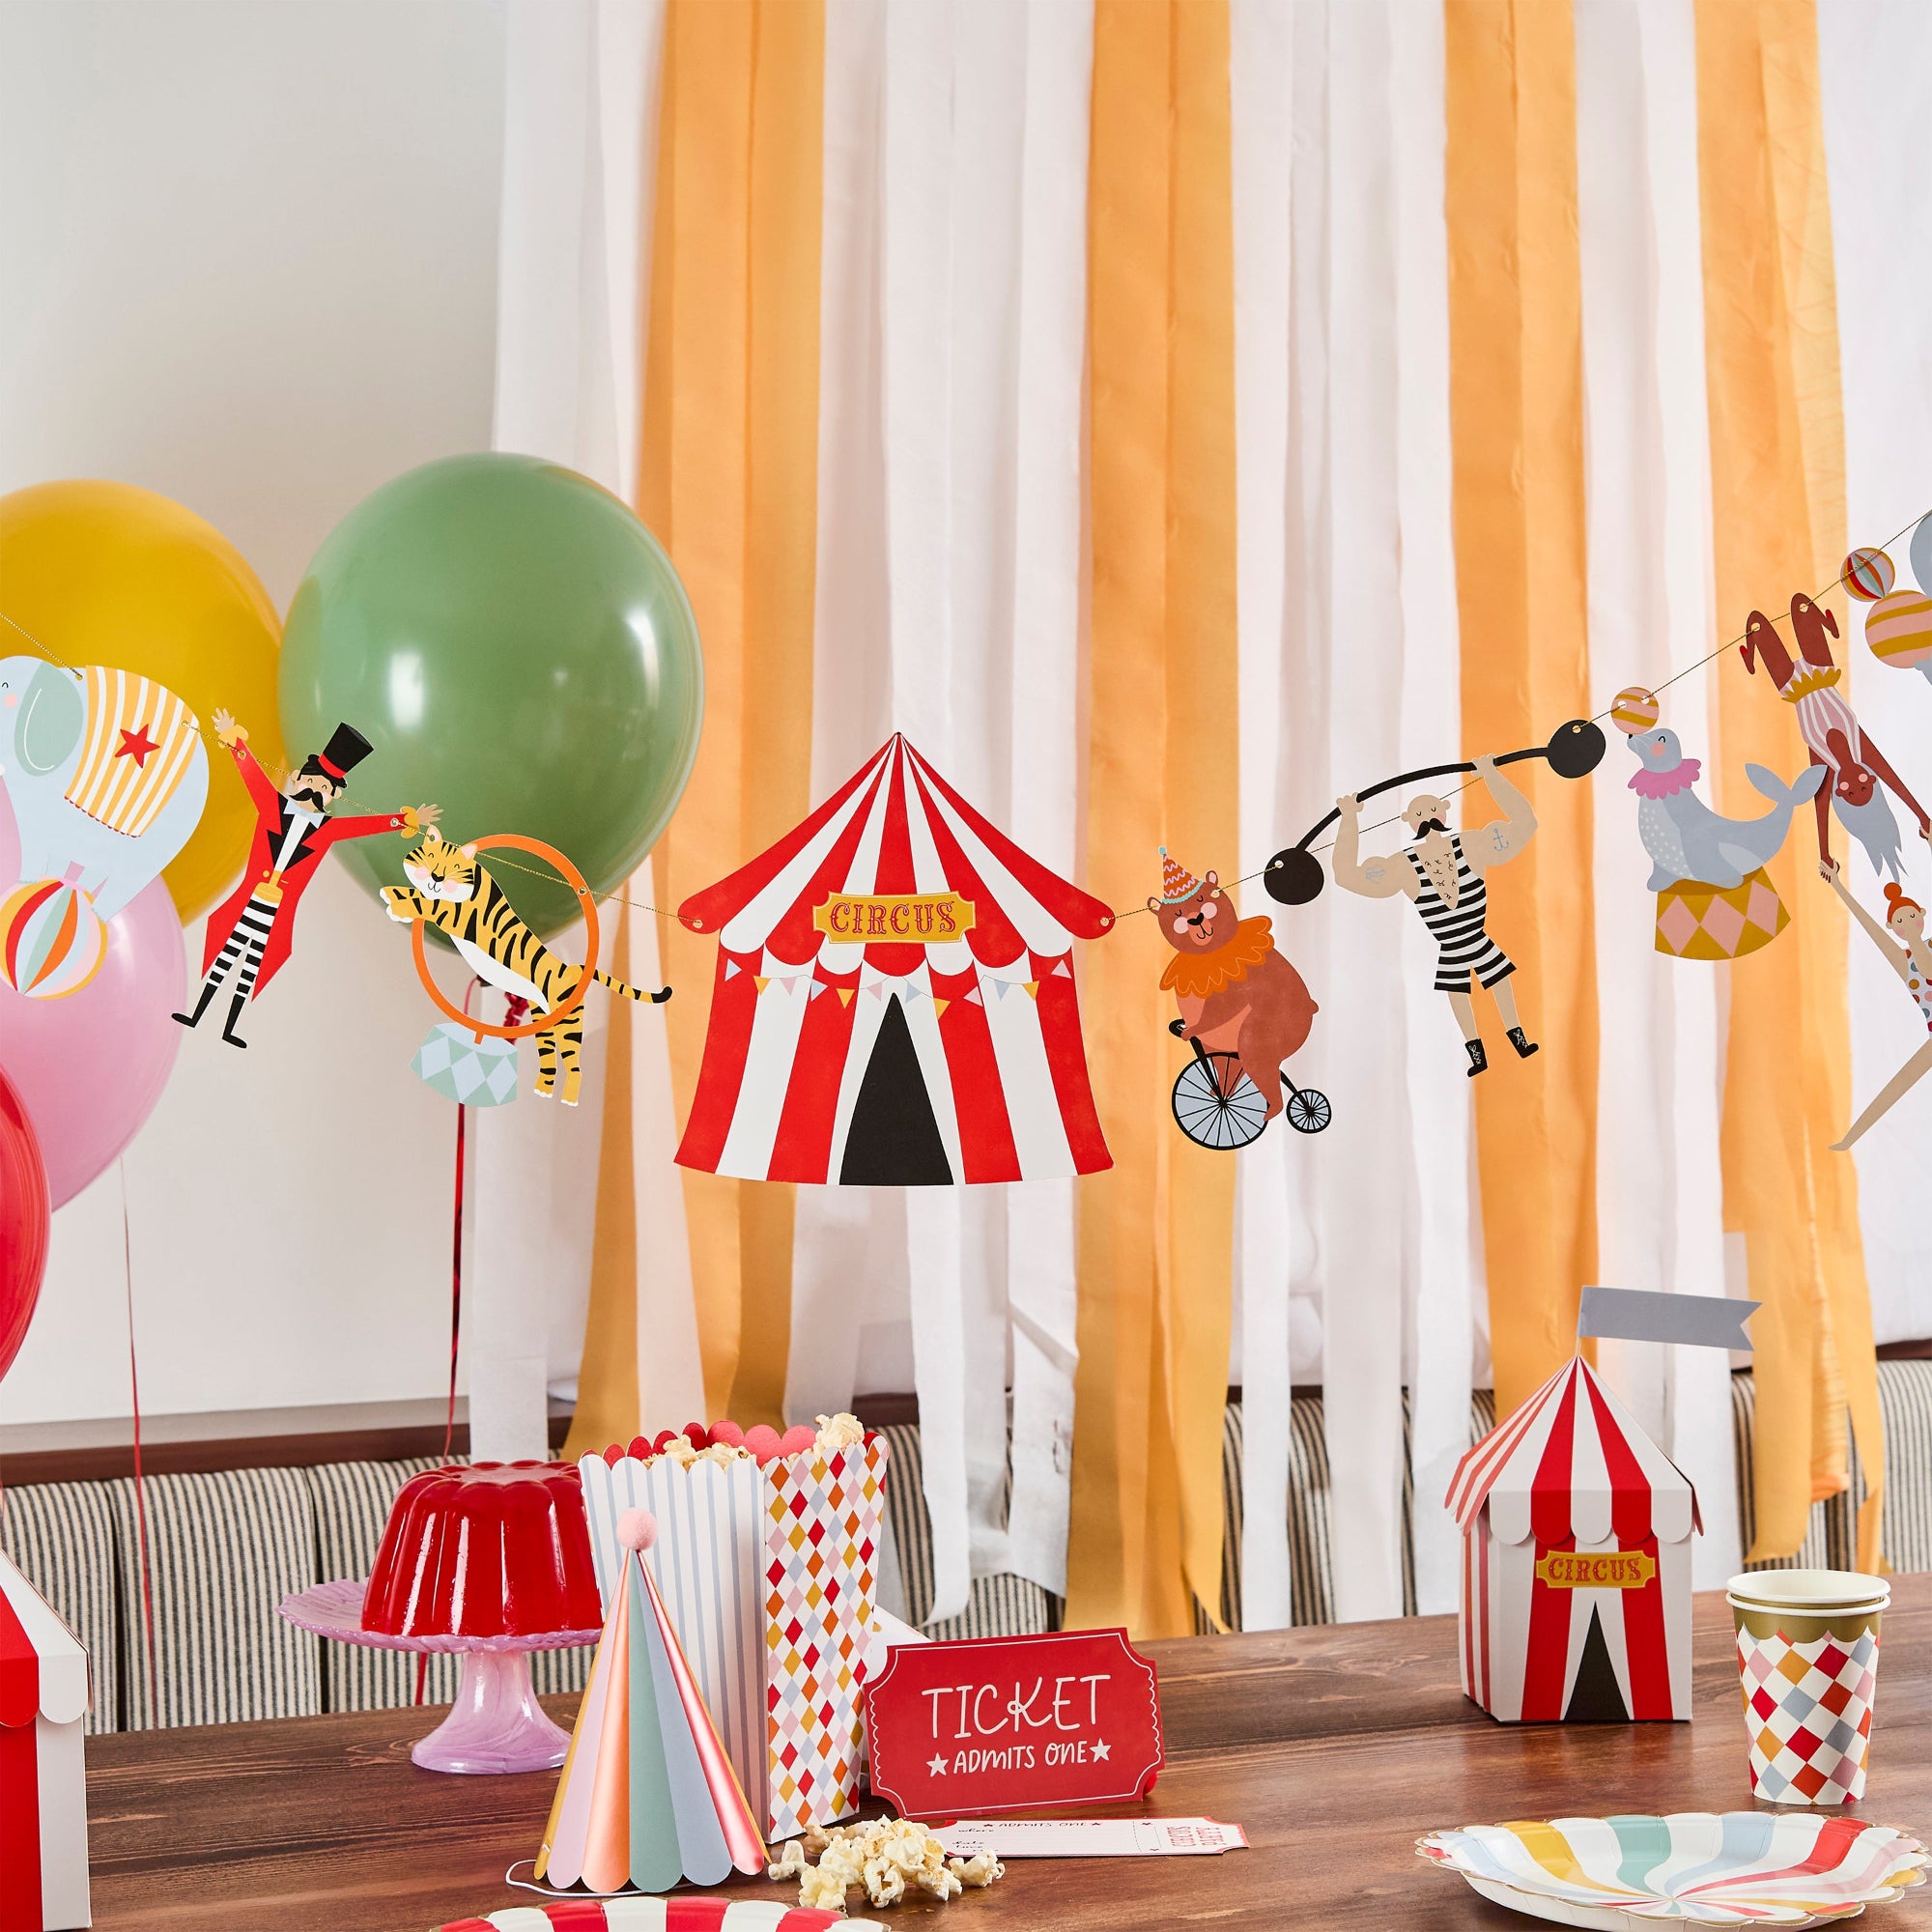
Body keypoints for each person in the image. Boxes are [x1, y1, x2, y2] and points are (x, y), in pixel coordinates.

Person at [173, 711, 437, 1047]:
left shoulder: (327, 832)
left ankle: (230, 1025)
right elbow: (252, 775)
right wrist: (234, 741)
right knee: (225, 955)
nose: (315, 790)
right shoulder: (272, 807)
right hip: (247, 901)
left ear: (332, 796)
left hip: (277, 914)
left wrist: (403, 820)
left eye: (323, 788)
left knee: (252, 966)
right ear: (297, 778)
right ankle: (196, 1014)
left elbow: (364, 826)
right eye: (312, 782)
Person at [1331, 754, 1539, 1076]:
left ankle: (1518, 1037)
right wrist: (1349, 818)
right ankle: (1477, 1055)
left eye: (1432, 810)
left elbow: (1525, 824)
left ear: (1444, 810)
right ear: (1408, 821)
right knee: (1458, 994)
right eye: (1419, 814)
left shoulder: (1472, 844)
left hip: (1477, 936)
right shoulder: (1402, 866)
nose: (1427, 818)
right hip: (1451, 946)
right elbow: (1347, 875)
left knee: (1499, 981)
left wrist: (1490, 776)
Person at [1820, 859, 1932, 1150]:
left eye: (1910, 917)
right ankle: (1849, 1140)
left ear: (1921, 914)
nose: (1907, 924)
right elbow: (1868, 925)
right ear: (1893, 928)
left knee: (1899, 1085)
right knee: (1896, 1087)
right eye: (1900, 922)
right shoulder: (1905, 963)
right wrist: (1838, 885)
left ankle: (1848, 1140)